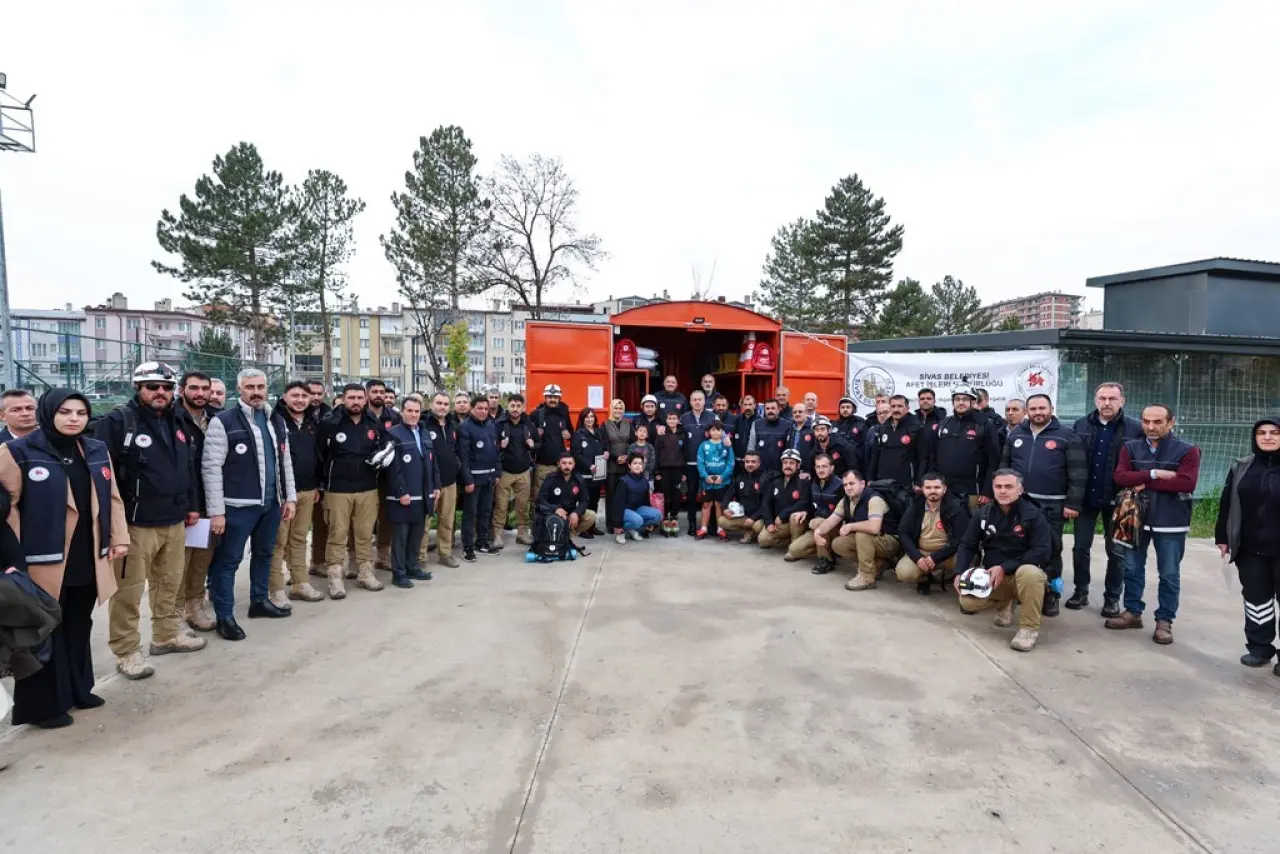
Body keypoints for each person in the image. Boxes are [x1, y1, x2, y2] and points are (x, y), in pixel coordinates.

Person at [1, 389, 129, 729]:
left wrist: (119, 538)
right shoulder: (18, 452)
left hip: (87, 555)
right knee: (43, 631)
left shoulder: (95, 449)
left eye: (80, 413)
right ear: (49, 413)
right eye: (65, 412)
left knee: (78, 623)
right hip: (41, 559)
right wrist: (12, 558)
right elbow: (7, 511)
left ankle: (78, 689)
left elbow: (113, 498)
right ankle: (43, 708)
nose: (74, 419)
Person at [95, 362, 204, 679]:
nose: (160, 392)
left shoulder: (178, 420)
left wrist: (191, 505)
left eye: (166, 387)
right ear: (138, 388)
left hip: (174, 520)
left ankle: (166, 635)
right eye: (152, 386)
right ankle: (127, 651)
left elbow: (188, 468)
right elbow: (103, 478)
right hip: (135, 524)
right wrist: (114, 527)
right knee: (128, 593)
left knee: (169, 584)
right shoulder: (118, 423)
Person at [202, 369, 298, 641]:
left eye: (260, 386)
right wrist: (217, 512)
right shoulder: (223, 422)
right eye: (250, 387)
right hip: (237, 507)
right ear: (240, 389)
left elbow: (285, 461)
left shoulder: (275, 420)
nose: (256, 392)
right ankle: (224, 616)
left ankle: (259, 601)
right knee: (228, 561)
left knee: (264, 553)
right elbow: (211, 468)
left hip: (270, 504)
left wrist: (289, 497)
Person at [1106, 405, 1201, 645]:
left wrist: (1143, 481)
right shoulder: (1131, 447)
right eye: (1146, 421)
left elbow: (1186, 483)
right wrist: (1155, 474)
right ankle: (1132, 611)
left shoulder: (1187, 450)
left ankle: (1164, 620)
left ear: (1171, 422)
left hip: (1171, 521)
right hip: (1135, 518)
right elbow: (1120, 477)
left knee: (1169, 574)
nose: (1151, 426)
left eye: (1157, 422)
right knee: (1132, 568)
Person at [1001, 393, 1085, 618]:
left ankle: (1051, 594)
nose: (1038, 412)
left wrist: (1072, 503)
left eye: (1042, 408)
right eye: (1033, 409)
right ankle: (1018, 591)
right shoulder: (1016, 434)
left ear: (1051, 409)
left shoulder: (1067, 436)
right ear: (1027, 411)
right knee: (1016, 546)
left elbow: (1078, 472)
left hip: (1053, 504)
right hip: (1020, 502)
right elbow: (1004, 467)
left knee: (1051, 549)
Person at [954, 470, 1052, 652]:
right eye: (998, 486)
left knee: (1030, 573)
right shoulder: (983, 514)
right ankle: (1005, 602)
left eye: (1008, 486)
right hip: (993, 576)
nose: (1003, 491)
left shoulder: (1034, 515)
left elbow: (1042, 552)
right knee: (967, 602)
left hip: (1023, 575)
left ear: (1020, 489)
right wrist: (960, 571)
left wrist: (1004, 567)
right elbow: (967, 544)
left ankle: (1029, 630)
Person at [1068, 382, 1145, 615]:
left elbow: (1145, 457)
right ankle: (1081, 591)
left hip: (1119, 501)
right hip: (1086, 497)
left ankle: (1112, 598)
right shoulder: (1081, 425)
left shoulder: (1135, 428)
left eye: (1112, 399)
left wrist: (1142, 483)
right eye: (1102, 398)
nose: (1107, 403)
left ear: (1122, 401)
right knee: (1080, 548)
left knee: (1117, 551)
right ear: (1095, 401)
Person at [1215, 417, 1280, 670]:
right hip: (1251, 549)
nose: (1267, 437)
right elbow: (1227, 503)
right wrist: (1223, 537)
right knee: (1256, 599)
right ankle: (1259, 648)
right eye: (1262, 433)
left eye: (1274, 432)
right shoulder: (1242, 467)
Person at [317, 383, 387, 597]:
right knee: (337, 534)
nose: (356, 402)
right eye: (351, 398)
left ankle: (365, 573)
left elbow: (383, 447)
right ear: (344, 399)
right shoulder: (330, 423)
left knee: (365, 533)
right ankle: (335, 577)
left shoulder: (373, 422)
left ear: (365, 399)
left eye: (359, 398)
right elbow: (320, 455)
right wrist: (321, 484)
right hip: (338, 489)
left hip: (367, 488)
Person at [269, 381, 325, 606]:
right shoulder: (275, 421)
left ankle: (300, 583)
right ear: (284, 397)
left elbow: (316, 456)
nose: (300, 400)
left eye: (304, 396)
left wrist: (316, 486)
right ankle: (276, 589)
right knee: (278, 542)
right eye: (295, 395)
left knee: (299, 538)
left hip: (307, 490)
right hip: (283, 494)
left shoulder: (312, 422)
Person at [175, 371, 217, 631]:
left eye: (204, 388)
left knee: (202, 561)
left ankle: (195, 607)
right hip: (182, 505)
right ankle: (175, 615)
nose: (200, 393)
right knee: (178, 564)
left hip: (208, 502)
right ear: (182, 390)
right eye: (194, 388)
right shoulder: (172, 419)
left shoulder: (215, 419)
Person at [385, 396, 440, 588]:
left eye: (417, 411)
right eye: (409, 411)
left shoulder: (424, 433)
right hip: (403, 496)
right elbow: (393, 468)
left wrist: (436, 486)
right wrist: (401, 491)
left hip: (423, 495)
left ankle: (412, 567)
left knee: (417, 534)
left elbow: (433, 462)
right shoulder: (393, 434)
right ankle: (399, 573)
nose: (413, 415)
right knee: (401, 537)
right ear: (402, 412)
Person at [895, 473, 969, 595]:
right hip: (922, 552)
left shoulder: (956, 507)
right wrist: (917, 558)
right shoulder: (915, 505)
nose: (932, 491)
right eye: (928, 488)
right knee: (903, 572)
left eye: (937, 487)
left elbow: (960, 539)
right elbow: (903, 533)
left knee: (969, 561)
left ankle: (959, 586)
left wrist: (935, 557)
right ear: (922, 489)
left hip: (948, 554)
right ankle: (925, 578)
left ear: (944, 489)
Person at [927, 385, 998, 510]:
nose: (961, 402)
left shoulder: (984, 424)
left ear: (973, 402)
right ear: (952, 402)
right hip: (945, 489)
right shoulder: (944, 423)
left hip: (974, 491)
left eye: (965, 399)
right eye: (957, 399)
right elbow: (933, 456)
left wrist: (987, 491)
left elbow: (993, 460)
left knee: (973, 522)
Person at [811, 469, 888, 583]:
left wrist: (850, 526)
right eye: (845, 485)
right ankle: (876, 565)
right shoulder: (846, 500)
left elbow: (874, 527)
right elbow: (832, 520)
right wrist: (818, 532)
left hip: (888, 540)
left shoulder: (874, 499)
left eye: (852, 483)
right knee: (839, 544)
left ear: (862, 484)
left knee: (862, 534)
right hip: (870, 540)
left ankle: (866, 577)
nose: (848, 487)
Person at [458, 396, 500, 561]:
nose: (483, 411)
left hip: (489, 479)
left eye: (485, 409)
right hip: (474, 480)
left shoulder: (491, 426)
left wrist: (497, 473)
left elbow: (496, 452)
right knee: (470, 514)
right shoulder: (465, 427)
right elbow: (463, 457)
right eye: (479, 408)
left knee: (485, 512)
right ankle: (468, 547)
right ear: (472, 409)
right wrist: (468, 480)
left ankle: (482, 542)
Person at [492, 394, 536, 547]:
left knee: (523, 505)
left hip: (524, 471)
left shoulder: (528, 424)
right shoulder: (499, 424)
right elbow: (491, 446)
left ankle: (522, 534)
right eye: (512, 406)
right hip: (505, 471)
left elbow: (538, 444)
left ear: (523, 407)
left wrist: (533, 445)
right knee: (501, 505)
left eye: (518, 406)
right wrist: (499, 445)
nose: (515, 409)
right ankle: (497, 535)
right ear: (508, 406)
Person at [426, 392, 461, 567]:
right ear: (431, 404)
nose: (442, 407)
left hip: (450, 481)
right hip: (429, 483)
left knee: (447, 520)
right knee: (425, 523)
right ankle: (420, 557)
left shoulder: (452, 425)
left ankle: (445, 553)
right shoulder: (423, 425)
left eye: (446, 404)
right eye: (439, 403)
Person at [786, 453, 841, 563]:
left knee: (818, 522)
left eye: (824, 466)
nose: (821, 470)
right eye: (818, 467)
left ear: (832, 468)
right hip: (816, 527)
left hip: (834, 527)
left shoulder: (840, 485)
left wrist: (820, 521)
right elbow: (811, 505)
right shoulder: (813, 483)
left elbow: (843, 513)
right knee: (794, 549)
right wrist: (805, 512)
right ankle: (825, 549)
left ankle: (826, 560)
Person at [758, 449, 811, 552]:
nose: (788, 466)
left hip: (795, 523)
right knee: (763, 540)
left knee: (794, 516)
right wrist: (769, 522)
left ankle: (795, 546)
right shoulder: (775, 481)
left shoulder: (803, 481)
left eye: (792, 463)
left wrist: (783, 515)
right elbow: (766, 503)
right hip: (779, 524)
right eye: (785, 462)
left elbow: (804, 503)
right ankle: (790, 542)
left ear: (798, 465)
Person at [868, 394, 925, 488]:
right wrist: (870, 478)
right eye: (893, 406)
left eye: (900, 406)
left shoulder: (916, 428)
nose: (896, 409)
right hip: (883, 482)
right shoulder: (882, 428)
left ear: (907, 408)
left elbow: (923, 457)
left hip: (907, 484)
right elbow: (875, 455)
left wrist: (919, 482)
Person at [536, 451, 598, 538]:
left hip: (570, 513)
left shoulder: (578, 480)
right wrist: (556, 509)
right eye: (564, 463)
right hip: (553, 514)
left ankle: (569, 535)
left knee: (591, 515)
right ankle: (556, 535)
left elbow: (585, 500)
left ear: (574, 464)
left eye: (570, 463)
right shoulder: (550, 478)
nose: (567, 466)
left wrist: (576, 513)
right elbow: (540, 500)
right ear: (558, 464)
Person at [679, 391, 715, 535]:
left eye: (700, 399)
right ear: (690, 402)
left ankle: (710, 524)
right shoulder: (683, 418)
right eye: (694, 400)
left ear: (704, 401)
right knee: (691, 494)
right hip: (690, 463)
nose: (697, 402)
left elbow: (720, 434)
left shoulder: (712, 417)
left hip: (709, 464)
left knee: (710, 495)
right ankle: (692, 523)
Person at [530, 384, 573, 499]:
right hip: (542, 466)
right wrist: (535, 433)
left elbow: (571, 432)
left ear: (559, 398)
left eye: (555, 397)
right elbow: (525, 433)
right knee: (538, 497)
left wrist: (569, 435)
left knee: (559, 497)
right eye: (550, 397)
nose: (552, 399)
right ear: (545, 398)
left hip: (560, 465)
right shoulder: (537, 414)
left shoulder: (564, 414)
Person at [717, 451, 769, 543]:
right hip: (743, 516)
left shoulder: (765, 478)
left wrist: (753, 518)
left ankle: (753, 533)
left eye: (753, 462)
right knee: (721, 521)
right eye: (747, 461)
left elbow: (766, 504)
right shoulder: (739, 476)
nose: (750, 464)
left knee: (758, 527)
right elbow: (729, 493)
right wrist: (724, 508)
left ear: (759, 463)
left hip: (759, 518)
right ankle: (749, 532)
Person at [696, 421, 734, 539]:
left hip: (722, 482)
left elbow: (730, 463)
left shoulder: (727, 445)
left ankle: (720, 529)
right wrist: (705, 476)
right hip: (707, 482)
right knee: (706, 505)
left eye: (718, 430)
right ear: (709, 432)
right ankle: (703, 529)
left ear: (722, 432)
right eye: (713, 430)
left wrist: (722, 477)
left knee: (719, 505)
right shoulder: (703, 445)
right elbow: (700, 463)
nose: (716, 432)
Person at [611, 453, 661, 544]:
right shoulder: (623, 481)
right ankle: (621, 531)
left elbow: (645, 501)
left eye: (640, 463)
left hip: (636, 509)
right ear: (629, 465)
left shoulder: (644, 481)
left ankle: (632, 527)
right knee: (638, 520)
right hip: (623, 510)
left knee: (657, 515)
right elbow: (617, 504)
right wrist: (617, 525)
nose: (638, 466)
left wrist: (650, 523)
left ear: (643, 466)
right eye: (635, 463)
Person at [601, 399, 634, 535]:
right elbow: (605, 444)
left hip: (626, 465)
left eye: (620, 408)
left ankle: (622, 522)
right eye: (616, 408)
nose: (618, 411)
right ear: (611, 409)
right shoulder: (605, 425)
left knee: (624, 496)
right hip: (612, 466)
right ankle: (610, 524)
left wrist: (627, 456)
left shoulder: (629, 424)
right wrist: (616, 457)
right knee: (611, 496)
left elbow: (632, 442)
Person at [571, 408, 606, 537]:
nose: (589, 419)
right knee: (585, 501)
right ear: (582, 419)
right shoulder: (578, 434)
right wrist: (588, 465)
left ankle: (592, 527)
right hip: (584, 474)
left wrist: (605, 453)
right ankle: (582, 529)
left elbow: (603, 447)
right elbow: (576, 454)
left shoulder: (598, 432)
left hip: (597, 474)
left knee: (594, 501)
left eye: (592, 416)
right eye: (587, 417)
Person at [654, 410, 685, 536]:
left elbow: (685, 453)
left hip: (678, 470)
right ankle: (665, 519)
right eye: (669, 419)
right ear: (666, 421)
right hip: (664, 470)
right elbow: (656, 453)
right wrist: (656, 471)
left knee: (676, 495)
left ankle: (674, 519)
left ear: (678, 420)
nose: (672, 421)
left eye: (674, 418)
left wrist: (684, 472)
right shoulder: (661, 434)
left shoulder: (682, 434)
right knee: (665, 496)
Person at [746, 399, 789, 477]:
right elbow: (751, 447)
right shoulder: (756, 424)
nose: (770, 411)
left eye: (773, 408)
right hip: (760, 471)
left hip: (780, 471)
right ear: (764, 410)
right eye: (767, 408)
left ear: (778, 410)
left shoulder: (787, 425)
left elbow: (789, 448)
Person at [728, 394, 757, 473]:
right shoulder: (737, 419)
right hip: (737, 460)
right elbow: (731, 435)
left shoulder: (759, 421)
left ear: (754, 405)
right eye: (745, 405)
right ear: (742, 406)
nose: (748, 407)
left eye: (750, 404)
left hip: (752, 462)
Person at [784, 403, 816, 470]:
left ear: (806, 413)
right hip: (792, 468)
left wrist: (809, 470)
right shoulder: (790, 429)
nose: (797, 414)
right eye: (794, 412)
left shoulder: (813, 428)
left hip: (807, 470)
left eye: (800, 412)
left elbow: (816, 451)